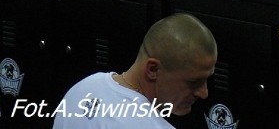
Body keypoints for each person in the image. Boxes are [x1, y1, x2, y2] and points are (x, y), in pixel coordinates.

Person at [53, 13, 216, 128]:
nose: (204, 93)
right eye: (193, 82)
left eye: (206, 80)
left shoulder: (81, 89)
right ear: (153, 69)